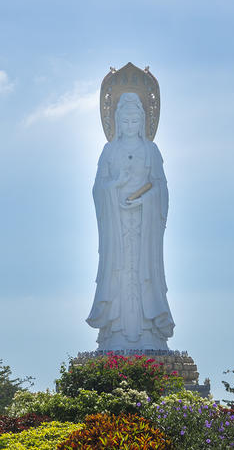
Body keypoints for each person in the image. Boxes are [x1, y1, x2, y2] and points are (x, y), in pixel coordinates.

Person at [86, 92, 175, 350]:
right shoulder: (109, 151)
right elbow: (98, 189)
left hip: (144, 227)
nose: (129, 126)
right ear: (116, 121)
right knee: (118, 272)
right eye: (125, 121)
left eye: (135, 121)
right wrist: (116, 185)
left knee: (145, 272)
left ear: (143, 121)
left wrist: (144, 200)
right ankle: (114, 333)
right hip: (116, 226)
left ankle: (150, 330)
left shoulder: (151, 151)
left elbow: (161, 187)